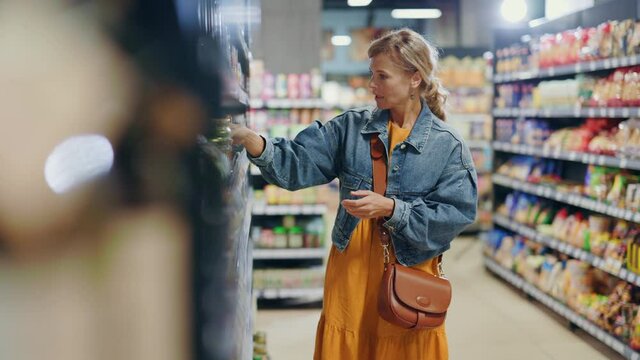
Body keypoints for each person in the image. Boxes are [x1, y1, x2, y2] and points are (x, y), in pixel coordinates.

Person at [232, 28, 477, 359]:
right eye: (371, 75)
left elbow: (455, 214)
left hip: (409, 273)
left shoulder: (448, 146)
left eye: (382, 76)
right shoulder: (350, 129)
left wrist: (393, 209)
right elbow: (298, 165)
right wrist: (254, 142)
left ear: (414, 78)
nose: (371, 85)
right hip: (352, 271)